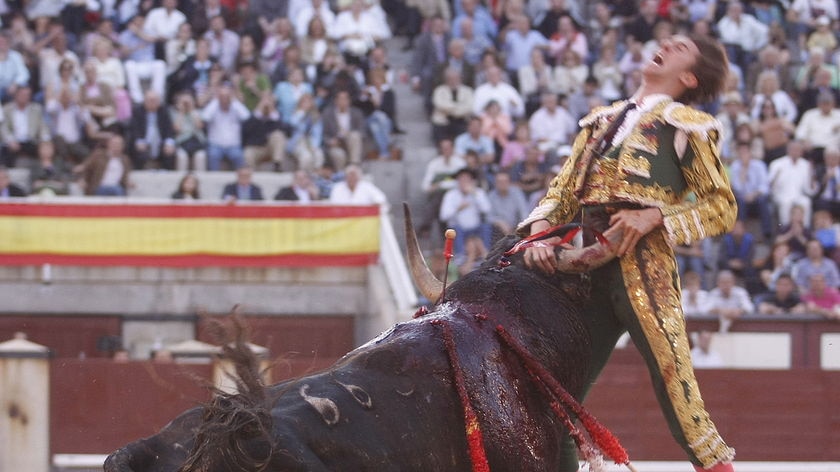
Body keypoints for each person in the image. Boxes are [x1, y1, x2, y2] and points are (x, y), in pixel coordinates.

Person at [517, 35, 737, 471]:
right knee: (556, 400)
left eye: (679, 47)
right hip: (583, 273)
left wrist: (655, 217)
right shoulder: (599, 121)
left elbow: (721, 206)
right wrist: (538, 234)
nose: (666, 43)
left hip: (645, 268)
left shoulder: (688, 124)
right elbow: (561, 191)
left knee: (679, 395)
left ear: (689, 77)